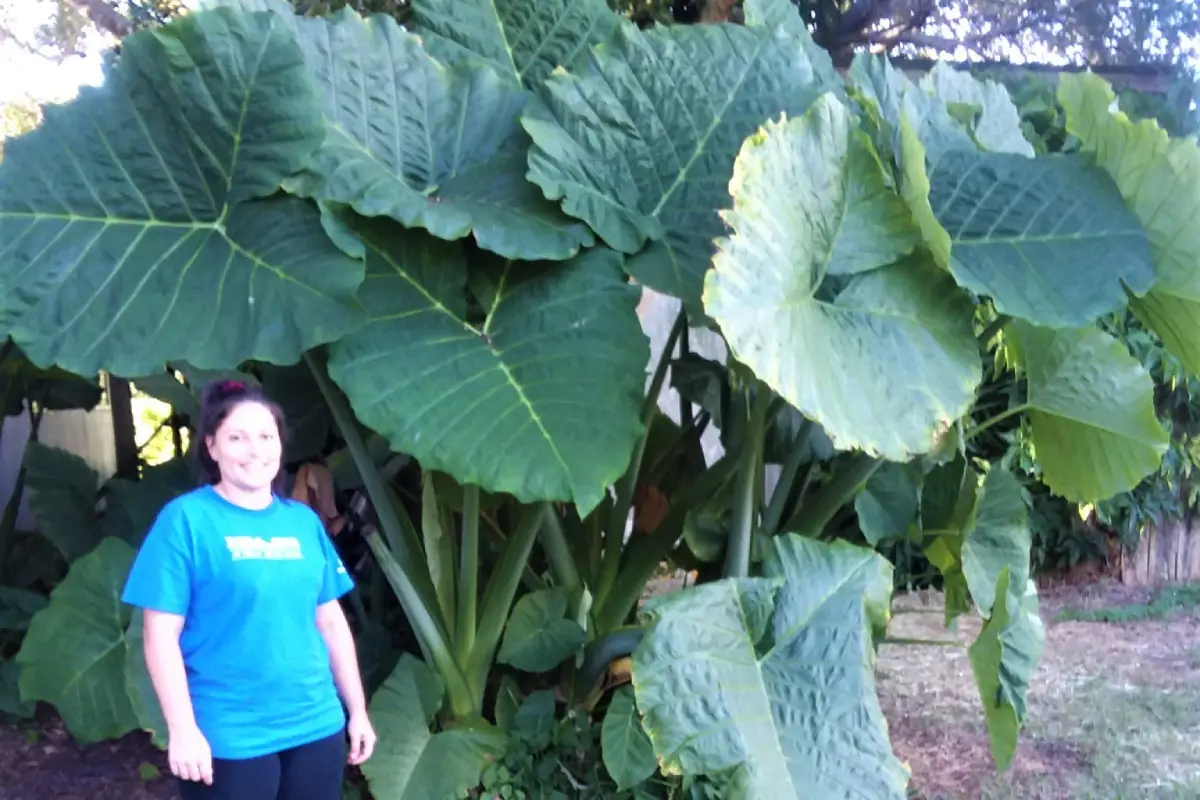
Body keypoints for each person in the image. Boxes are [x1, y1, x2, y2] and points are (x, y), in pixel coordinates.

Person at [122, 379, 377, 799]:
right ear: (212, 447)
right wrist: (183, 730)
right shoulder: (186, 520)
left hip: (315, 723)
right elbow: (159, 634)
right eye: (237, 437)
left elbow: (330, 621)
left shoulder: (302, 522)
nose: (255, 450)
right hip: (228, 732)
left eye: (265, 436)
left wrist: (358, 711)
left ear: (280, 445)